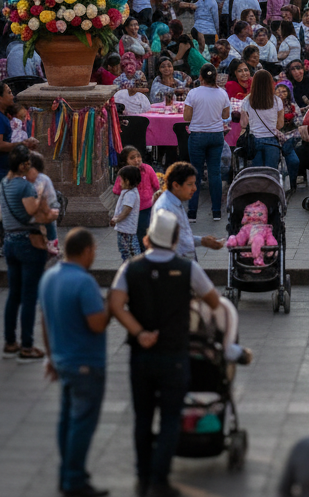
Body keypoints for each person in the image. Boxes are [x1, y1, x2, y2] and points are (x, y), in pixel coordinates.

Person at [109, 208, 222, 497]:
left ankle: (143, 476)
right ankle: (159, 481)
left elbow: (115, 304)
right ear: (174, 241)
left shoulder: (131, 268)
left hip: (141, 355)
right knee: (171, 418)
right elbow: (214, 301)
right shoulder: (187, 269)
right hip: (174, 354)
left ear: (147, 239)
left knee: (143, 417)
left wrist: (140, 332)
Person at [39, 228, 111, 497]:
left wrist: (50, 357)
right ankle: (74, 480)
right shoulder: (84, 282)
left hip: (62, 360)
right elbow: (97, 324)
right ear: (87, 251)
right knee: (82, 423)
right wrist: (112, 307)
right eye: (94, 251)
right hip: (85, 364)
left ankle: (67, 473)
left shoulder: (49, 277)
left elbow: (44, 321)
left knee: (67, 420)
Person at [0, 144, 58, 360]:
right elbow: (35, 213)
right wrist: (47, 211)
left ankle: (9, 341)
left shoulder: (4, 183)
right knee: (29, 296)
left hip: (9, 242)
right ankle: (26, 345)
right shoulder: (25, 187)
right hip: (28, 243)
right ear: (24, 165)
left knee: (13, 295)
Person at [182, 64, 231, 222]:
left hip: (198, 135)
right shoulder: (222, 93)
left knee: (195, 173)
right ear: (215, 77)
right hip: (216, 135)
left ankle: (192, 213)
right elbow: (226, 115)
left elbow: (186, 117)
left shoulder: (193, 93)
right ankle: (216, 211)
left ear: (200, 77)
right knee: (214, 173)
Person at [0, 81, 38, 215]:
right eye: (9, 93)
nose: (12, 96)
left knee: (3, 202)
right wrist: (23, 144)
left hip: (2, 166)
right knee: (3, 204)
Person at [151, 162, 223, 259]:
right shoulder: (165, 208)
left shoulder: (175, 202)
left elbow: (182, 236)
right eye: (190, 184)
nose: (194, 188)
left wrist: (203, 241)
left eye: (194, 184)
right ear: (176, 185)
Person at [112, 147, 161, 247]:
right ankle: (137, 250)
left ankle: (142, 251)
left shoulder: (148, 169)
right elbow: (116, 189)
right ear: (126, 161)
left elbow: (156, 185)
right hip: (130, 208)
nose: (137, 160)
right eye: (132, 158)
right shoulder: (125, 172)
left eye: (138, 156)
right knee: (133, 232)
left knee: (143, 231)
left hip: (145, 207)